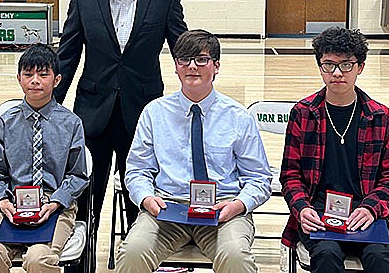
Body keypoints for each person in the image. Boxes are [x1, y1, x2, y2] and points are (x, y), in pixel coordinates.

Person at [54, 0, 187, 236]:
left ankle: (135, 258)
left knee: (138, 198)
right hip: (93, 111)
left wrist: (192, 100)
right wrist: (51, 104)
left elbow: (182, 50)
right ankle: (79, 263)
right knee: (85, 197)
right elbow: (68, 54)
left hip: (142, 113)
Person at [116, 30, 272, 272]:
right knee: (132, 251)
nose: (192, 67)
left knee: (236, 257)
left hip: (223, 210)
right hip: (168, 208)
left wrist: (239, 205)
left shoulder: (238, 116)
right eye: (184, 60)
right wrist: (147, 198)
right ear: (176, 67)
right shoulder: (154, 113)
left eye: (201, 59)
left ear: (216, 66)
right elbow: (137, 170)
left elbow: (259, 178)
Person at [279, 27, 389, 273]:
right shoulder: (303, 112)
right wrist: (301, 208)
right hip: (317, 213)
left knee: (379, 257)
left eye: (346, 64)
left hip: (367, 212)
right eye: (328, 65)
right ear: (320, 67)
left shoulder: (380, 116)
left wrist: (371, 207)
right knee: (326, 254)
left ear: (360, 67)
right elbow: (290, 175)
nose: (337, 73)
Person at [0, 43, 89, 273]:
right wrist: (3, 202)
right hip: (13, 204)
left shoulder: (71, 123)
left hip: (54, 207)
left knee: (38, 259)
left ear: (56, 80)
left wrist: (56, 202)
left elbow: (78, 175)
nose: (35, 80)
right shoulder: (6, 122)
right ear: (19, 78)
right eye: (28, 74)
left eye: (43, 74)